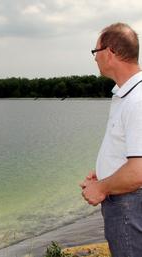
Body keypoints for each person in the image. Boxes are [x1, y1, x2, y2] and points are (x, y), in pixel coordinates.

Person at [80, 22, 142, 256]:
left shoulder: (137, 100)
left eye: (95, 52)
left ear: (110, 52)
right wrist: (105, 173)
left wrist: (102, 187)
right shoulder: (127, 95)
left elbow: (139, 171)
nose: (94, 58)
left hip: (130, 205)